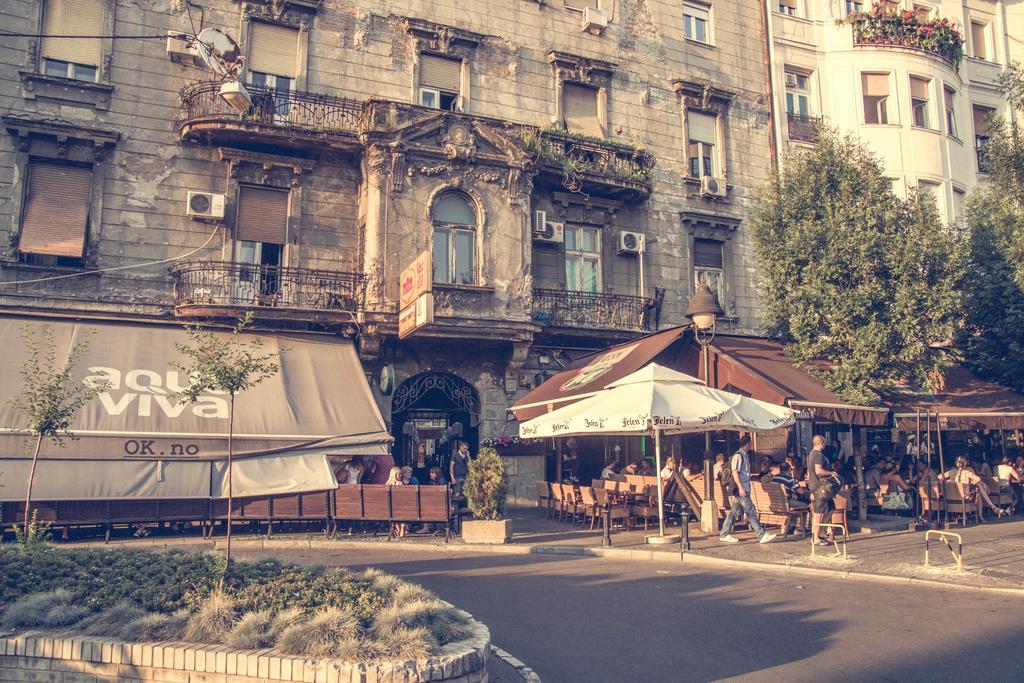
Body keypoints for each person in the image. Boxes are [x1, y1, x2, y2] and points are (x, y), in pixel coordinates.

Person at [719, 435, 776, 544]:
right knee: (751, 510)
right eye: (751, 443)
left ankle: (724, 534)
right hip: (741, 489)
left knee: (734, 512)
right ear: (747, 444)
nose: (752, 445)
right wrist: (740, 487)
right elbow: (735, 472)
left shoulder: (744, 456)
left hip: (744, 488)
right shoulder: (738, 456)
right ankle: (761, 535)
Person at [943, 455, 1006, 522]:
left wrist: (948, 481)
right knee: (978, 491)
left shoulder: (950, 472)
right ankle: (984, 513)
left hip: (951, 499)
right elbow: (978, 479)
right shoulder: (967, 472)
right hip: (965, 497)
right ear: (965, 463)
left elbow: (939, 477)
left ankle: (992, 508)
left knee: (978, 488)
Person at [807, 435, 837, 546]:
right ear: (821, 443)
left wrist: (810, 489)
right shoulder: (818, 455)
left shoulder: (810, 454)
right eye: (824, 443)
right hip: (821, 488)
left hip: (817, 487)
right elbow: (818, 471)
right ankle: (815, 537)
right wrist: (831, 473)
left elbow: (809, 473)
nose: (825, 445)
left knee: (831, 509)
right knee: (819, 513)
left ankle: (822, 532)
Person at [385, 467, 408, 537]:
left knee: (394, 514)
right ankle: (402, 527)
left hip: (389, 509)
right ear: (394, 475)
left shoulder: (386, 484)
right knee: (402, 511)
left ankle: (398, 528)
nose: (401, 476)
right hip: (399, 507)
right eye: (399, 474)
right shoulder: (400, 483)